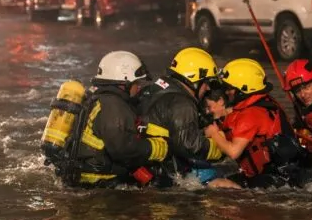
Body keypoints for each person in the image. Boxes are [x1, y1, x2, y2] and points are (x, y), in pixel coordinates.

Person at [65, 51, 170, 188]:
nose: (139, 87)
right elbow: (124, 150)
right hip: (100, 187)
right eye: (136, 82)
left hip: (86, 178)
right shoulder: (113, 106)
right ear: (124, 82)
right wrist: (157, 147)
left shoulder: (98, 98)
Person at [202, 58, 308, 189]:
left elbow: (233, 151)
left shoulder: (251, 114)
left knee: (215, 184)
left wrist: (214, 133)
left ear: (244, 89)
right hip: (279, 174)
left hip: (275, 180)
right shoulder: (261, 103)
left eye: (230, 88)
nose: (227, 92)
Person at [137, 47, 227, 186]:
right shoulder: (182, 103)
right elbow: (188, 145)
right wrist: (220, 146)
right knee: (228, 185)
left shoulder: (153, 89)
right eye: (207, 82)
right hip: (164, 176)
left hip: (145, 167)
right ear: (194, 79)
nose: (208, 88)